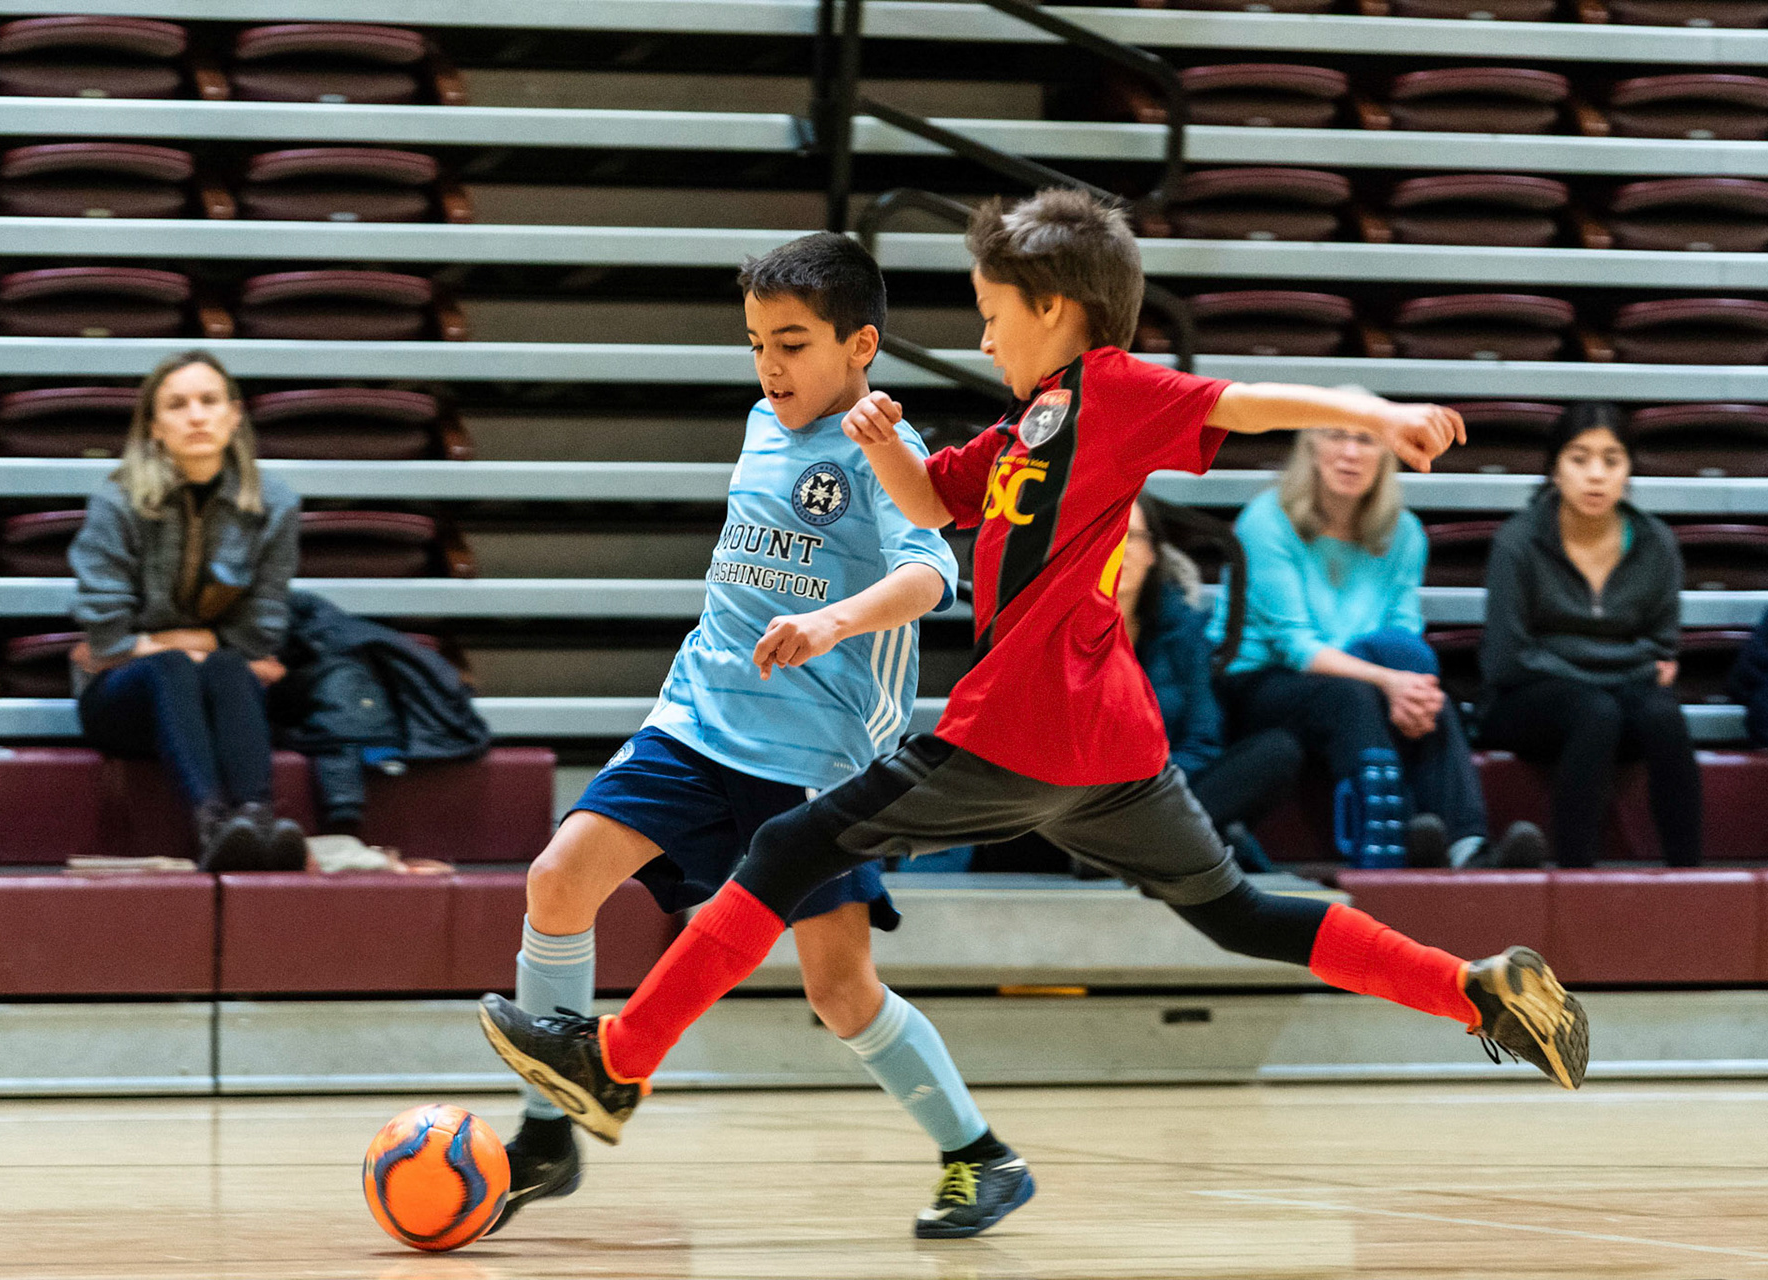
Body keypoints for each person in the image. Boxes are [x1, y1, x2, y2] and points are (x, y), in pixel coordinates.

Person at [480, 190, 1590, 1200]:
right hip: (1111, 752)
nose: (982, 336)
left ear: (1056, 309)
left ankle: (616, 1068)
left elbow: (1246, 401)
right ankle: (1476, 990)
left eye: (993, 313)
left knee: (781, 854)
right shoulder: (1027, 426)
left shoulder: (1111, 389)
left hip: (1016, 730)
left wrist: (1368, 410)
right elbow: (935, 501)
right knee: (1240, 910)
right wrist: (881, 448)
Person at [478, 233, 1031, 1239]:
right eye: (755, 344)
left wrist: (833, 620)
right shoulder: (761, 419)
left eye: (794, 342)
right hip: (697, 719)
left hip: (815, 759)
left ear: (861, 344)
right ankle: (546, 1134)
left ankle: (979, 1154)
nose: (772, 366)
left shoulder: (883, 449)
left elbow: (933, 574)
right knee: (558, 879)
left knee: (840, 988)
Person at [1211, 420, 1546, 870]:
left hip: (1358, 677)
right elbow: (1297, 646)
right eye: (1336, 437)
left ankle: (1468, 848)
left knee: (1431, 699)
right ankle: (1394, 843)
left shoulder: (1403, 533)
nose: (1350, 453)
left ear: (1385, 457)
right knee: (1355, 697)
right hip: (1260, 682)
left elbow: (1402, 634)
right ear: (1311, 450)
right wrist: (1388, 680)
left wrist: (1406, 685)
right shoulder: (1267, 521)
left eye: (1365, 440)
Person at [69, 350, 307, 872]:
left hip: (220, 690)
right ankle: (213, 827)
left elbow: (260, 632)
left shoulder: (275, 503)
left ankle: (255, 823)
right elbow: (107, 632)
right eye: (177, 405)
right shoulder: (118, 500)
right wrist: (186, 648)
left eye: (209, 401)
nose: (196, 416)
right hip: (121, 702)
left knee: (222, 666)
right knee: (177, 668)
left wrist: (173, 644)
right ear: (154, 427)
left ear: (234, 416)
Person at [1478, 403, 1699, 868]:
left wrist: (1586, 661)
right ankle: (1575, 877)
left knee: (1665, 716)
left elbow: (1662, 648)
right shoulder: (1517, 542)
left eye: (1611, 460)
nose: (1595, 475)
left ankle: (1688, 874)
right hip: (1525, 704)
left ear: (1629, 472)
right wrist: (1617, 665)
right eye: (1579, 459)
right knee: (1595, 710)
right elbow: (1508, 658)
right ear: (1554, 469)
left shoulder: (1656, 541)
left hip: (1619, 699)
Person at [1117, 497, 1300, 872]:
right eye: (1106, 538)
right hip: (1077, 802)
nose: (1119, 551)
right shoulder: (1056, 634)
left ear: (1152, 554)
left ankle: (1138, 848)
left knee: (1278, 751)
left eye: (1131, 537)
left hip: (1164, 793)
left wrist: (1149, 789)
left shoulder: (1184, 631)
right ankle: (1192, 842)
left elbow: (1204, 741)